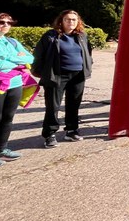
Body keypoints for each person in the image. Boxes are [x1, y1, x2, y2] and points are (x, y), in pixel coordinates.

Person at [0, 13, 36, 170]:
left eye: (9, 23)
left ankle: (1, 150)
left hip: (15, 83)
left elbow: (30, 59)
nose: (5, 25)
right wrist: (17, 59)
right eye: (1, 22)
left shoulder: (12, 41)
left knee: (8, 118)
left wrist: (7, 59)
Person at [33, 10, 93, 148]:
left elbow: (88, 53)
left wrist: (88, 67)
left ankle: (71, 130)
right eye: (67, 19)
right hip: (57, 75)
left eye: (74, 20)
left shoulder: (82, 35)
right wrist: (41, 72)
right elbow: (38, 54)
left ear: (78, 22)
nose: (71, 22)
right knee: (53, 106)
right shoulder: (51, 36)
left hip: (78, 76)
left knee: (74, 104)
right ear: (61, 21)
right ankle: (49, 134)